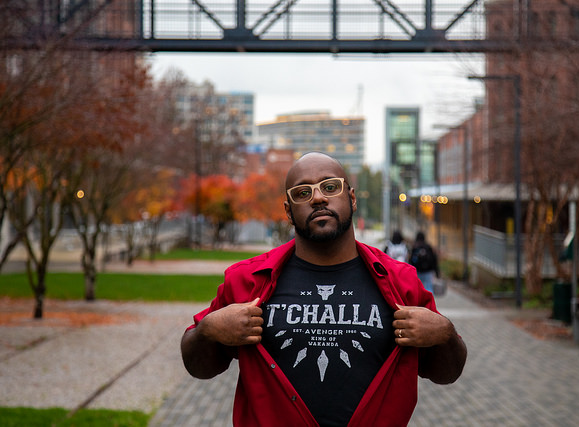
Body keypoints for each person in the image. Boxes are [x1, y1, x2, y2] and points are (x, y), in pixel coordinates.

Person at [181, 152, 467, 426]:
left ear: (351, 198)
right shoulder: (247, 280)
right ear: (288, 211)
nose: (318, 197)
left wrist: (444, 333)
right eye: (302, 193)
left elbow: (446, 373)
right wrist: (208, 329)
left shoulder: (400, 282)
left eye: (330, 187)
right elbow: (199, 367)